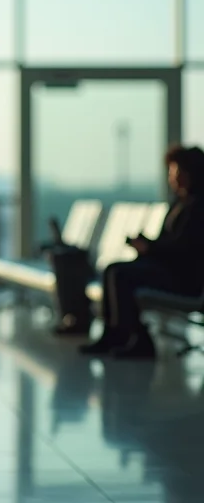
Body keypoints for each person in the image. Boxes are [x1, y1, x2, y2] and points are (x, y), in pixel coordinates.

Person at [80, 145, 204, 360]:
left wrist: (150, 248)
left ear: (190, 173)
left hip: (183, 280)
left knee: (120, 274)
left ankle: (129, 337)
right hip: (169, 269)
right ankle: (115, 334)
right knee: (113, 270)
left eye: (176, 173)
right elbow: (171, 243)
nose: (172, 178)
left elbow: (185, 251)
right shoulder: (181, 204)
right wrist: (148, 245)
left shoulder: (198, 207)